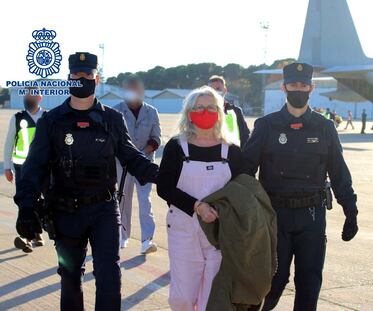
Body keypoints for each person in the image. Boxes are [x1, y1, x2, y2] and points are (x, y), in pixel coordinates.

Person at [14, 52, 159, 311]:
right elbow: (34, 167)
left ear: (97, 78)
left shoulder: (112, 119)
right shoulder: (52, 121)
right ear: (69, 78)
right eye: (76, 76)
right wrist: (26, 206)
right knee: (70, 280)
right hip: (65, 212)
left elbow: (130, 156)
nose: (82, 80)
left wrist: (161, 175)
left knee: (109, 277)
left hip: (104, 209)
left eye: (87, 76)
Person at [244, 63, 359, 311]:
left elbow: (339, 172)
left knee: (309, 282)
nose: (299, 89)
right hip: (275, 216)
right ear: (284, 87)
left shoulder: (325, 127)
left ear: (311, 88)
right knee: (272, 280)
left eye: (303, 85)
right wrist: (238, 209)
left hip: (312, 216)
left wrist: (351, 210)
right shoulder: (266, 126)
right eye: (294, 85)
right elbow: (245, 170)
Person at [157, 86, 245, 311]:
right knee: (183, 298)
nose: (205, 112)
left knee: (211, 299)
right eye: (199, 108)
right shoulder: (176, 147)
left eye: (211, 107)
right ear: (189, 113)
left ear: (219, 112)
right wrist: (197, 206)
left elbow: (243, 190)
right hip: (184, 228)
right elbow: (164, 187)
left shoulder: (232, 150)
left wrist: (221, 212)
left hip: (219, 232)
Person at [114, 76, 161, 252]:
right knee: (122, 201)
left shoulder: (152, 112)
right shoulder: (115, 112)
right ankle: (122, 236)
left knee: (145, 201)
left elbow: (156, 138)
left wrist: (141, 154)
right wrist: (128, 156)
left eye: (137, 90)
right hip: (122, 165)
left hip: (144, 165)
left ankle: (146, 240)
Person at [3, 87, 46, 253]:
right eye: (26, 94)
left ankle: (37, 232)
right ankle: (26, 238)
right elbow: (8, 143)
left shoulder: (47, 117)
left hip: (44, 168)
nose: (28, 97)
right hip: (22, 168)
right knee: (24, 201)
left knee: (41, 201)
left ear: (39, 97)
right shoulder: (17, 117)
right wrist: (7, 166)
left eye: (31, 94)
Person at [208, 75, 250, 147]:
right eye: (211, 90)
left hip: (231, 153)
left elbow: (244, 137)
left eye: (218, 89)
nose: (215, 92)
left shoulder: (235, 111)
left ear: (225, 90)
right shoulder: (201, 112)